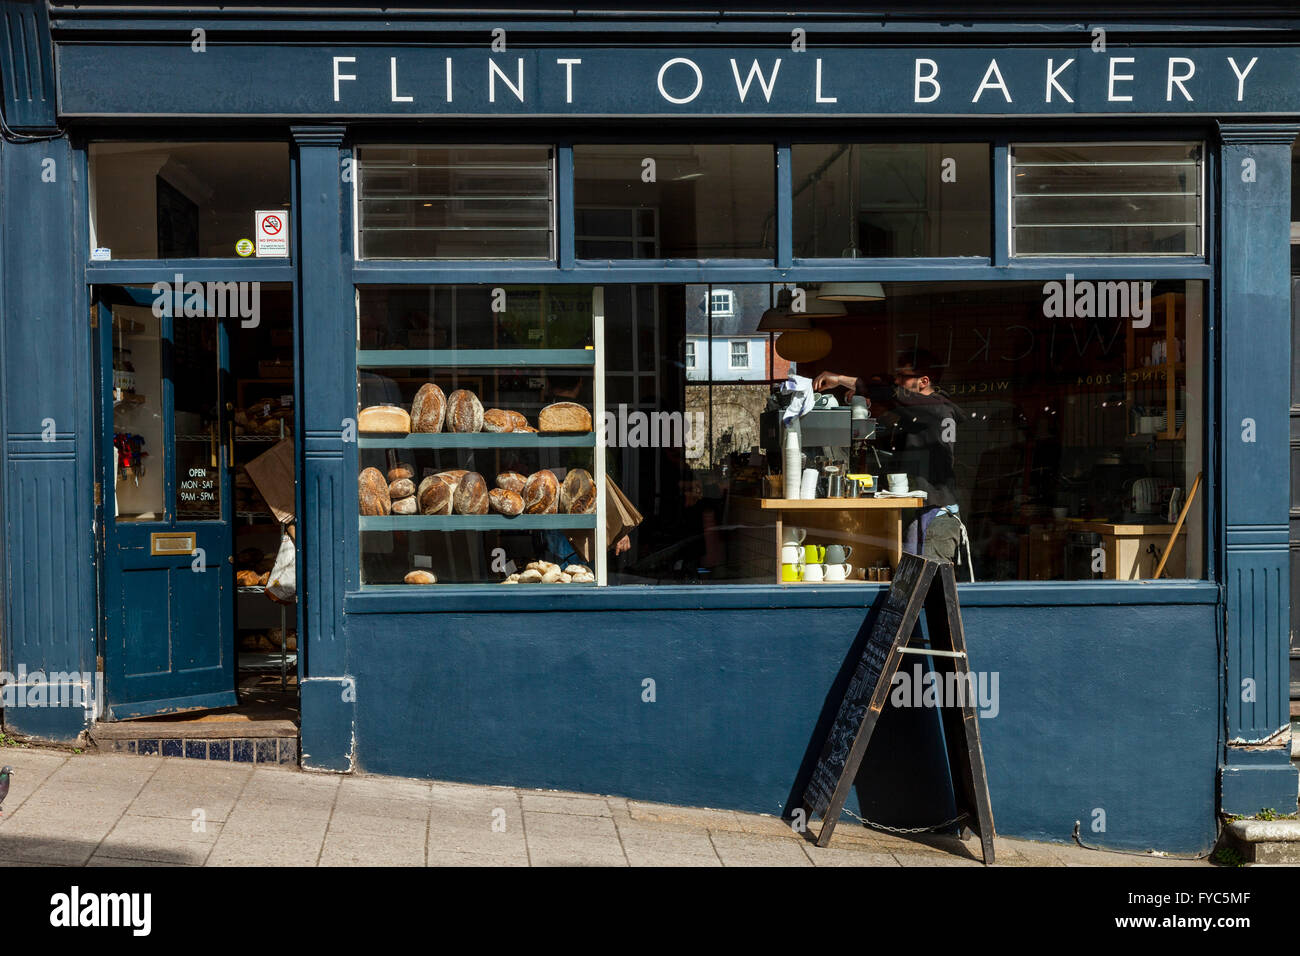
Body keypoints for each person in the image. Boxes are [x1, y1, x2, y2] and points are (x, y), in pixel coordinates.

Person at [813, 349, 964, 565]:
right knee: (912, 577)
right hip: (923, 507)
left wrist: (840, 379)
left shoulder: (935, 408)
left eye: (903, 376)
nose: (897, 380)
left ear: (923, 381)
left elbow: (890, 393)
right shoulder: (927, 412)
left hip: (936, 514)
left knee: (932, 583)